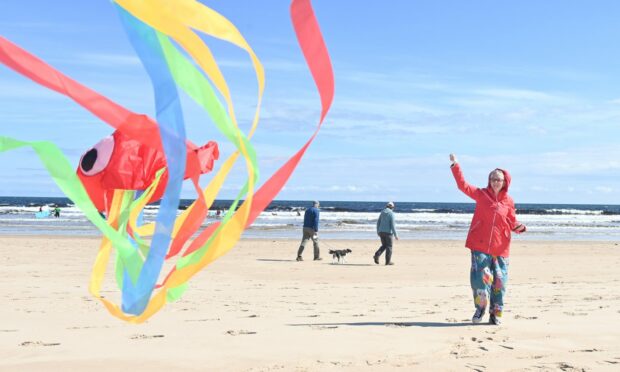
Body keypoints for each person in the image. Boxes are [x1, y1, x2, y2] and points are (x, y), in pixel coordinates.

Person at [449, 153, 526, 325]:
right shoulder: (481, 194)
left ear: (505, 181)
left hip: (501, 248)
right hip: (480, 245)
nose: (495, 181)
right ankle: (480, 310)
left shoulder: (509, 201)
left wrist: (519, 227)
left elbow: (511, 221)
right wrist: (456, 165)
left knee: (499, 282)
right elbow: (463, 185)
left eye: (498, 179)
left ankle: (495, 314)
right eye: (492, 179)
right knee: (480, 281)